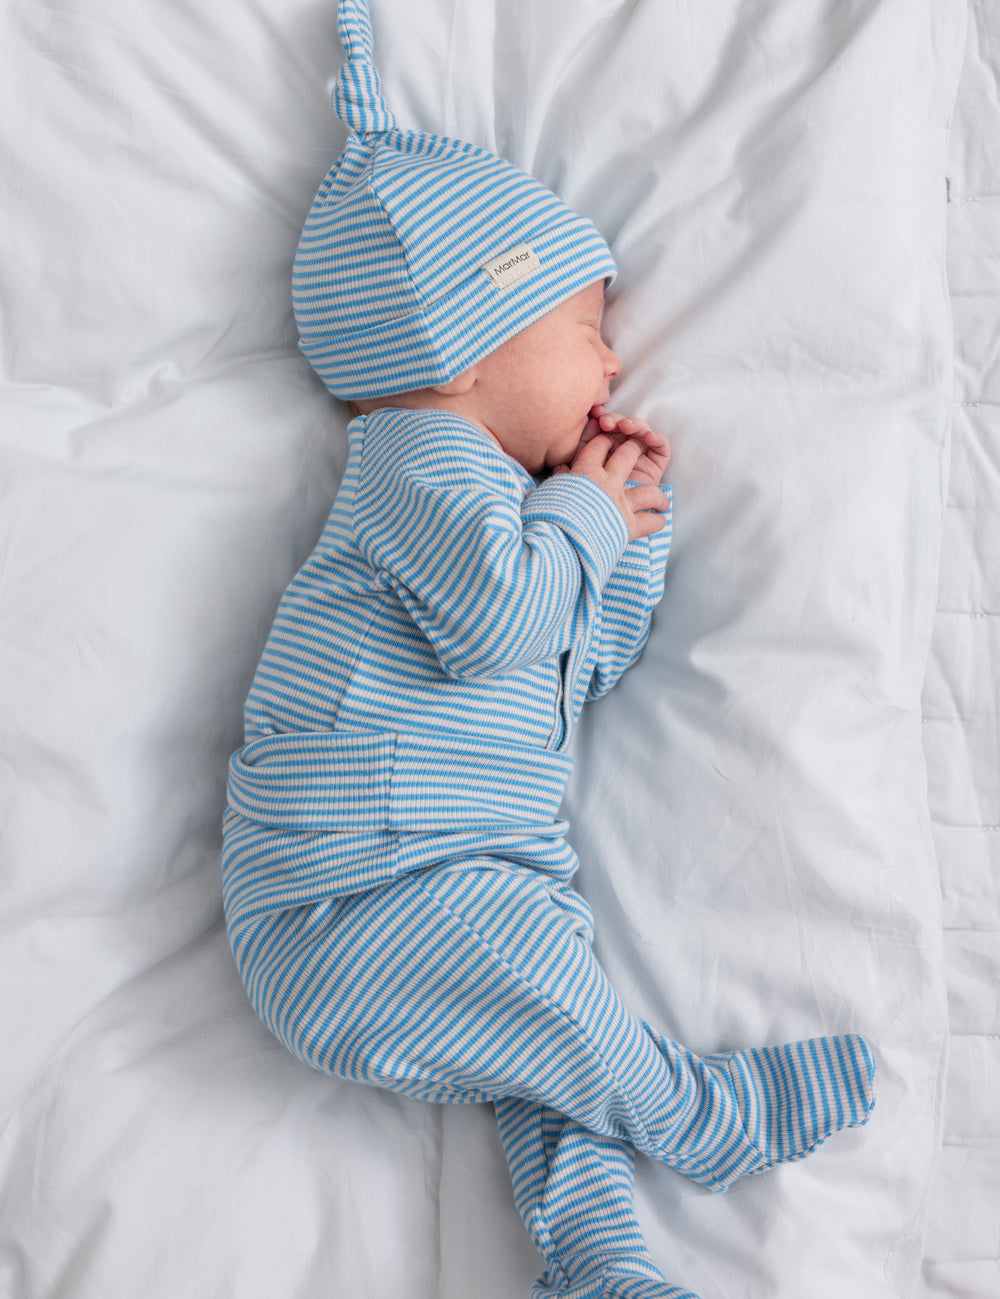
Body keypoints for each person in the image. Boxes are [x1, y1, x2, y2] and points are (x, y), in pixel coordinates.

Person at [222, 3, 876, 1296]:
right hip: (360, 895)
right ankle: (701, 1121)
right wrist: (580, 515)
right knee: (565, 1017)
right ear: (462, 350)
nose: (615, 357)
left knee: (554, 1047)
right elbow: (501, 622)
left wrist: (629, 533)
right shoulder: (419, 460)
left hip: (464, 870)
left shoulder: (504, 505)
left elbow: (583, 660)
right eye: (588, 324)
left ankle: (598, 1261)